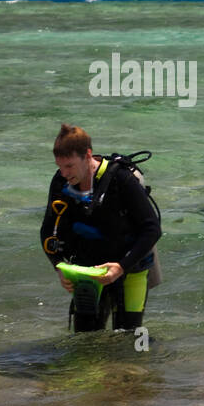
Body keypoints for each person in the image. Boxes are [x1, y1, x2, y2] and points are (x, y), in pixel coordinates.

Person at [40, 124, 161, 332]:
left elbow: (152, 229)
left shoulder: (120, 179)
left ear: (87, 155)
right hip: (87, 274)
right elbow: (47, 231)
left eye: (69, 166)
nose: (64, 173)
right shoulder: (60, 181)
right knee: (85, 344)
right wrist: (59, 266)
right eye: (60, 166)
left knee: (127, 342)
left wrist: (121, 267)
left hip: (129, 270)